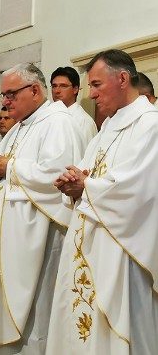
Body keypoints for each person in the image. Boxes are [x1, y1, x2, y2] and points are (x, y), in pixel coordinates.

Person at [47, 50, 158, 354]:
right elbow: (88, 173)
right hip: (89, 247)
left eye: (97, 84)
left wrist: (86, 186)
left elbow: (138, 190)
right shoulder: (107, 127)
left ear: (122, 79)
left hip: (122, 254)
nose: (91, 94)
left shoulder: (150, 125)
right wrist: (73, 183)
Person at [0, 63, 81, 354]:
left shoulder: (57, 121)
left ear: (34, 90)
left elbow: (58, 175)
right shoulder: (20, 126)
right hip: (11, 237)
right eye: (3, 95)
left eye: (10, 94)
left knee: (35, 319)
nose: (5, 102)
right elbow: (5, 166)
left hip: (39, 239)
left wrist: (10, 167)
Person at [50, 66, 97, 150]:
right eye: (54, 86)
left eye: (63, 86)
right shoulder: (49, 116)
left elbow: (88, 156)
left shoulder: (84, 122)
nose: (57, 91)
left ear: (75, 89)